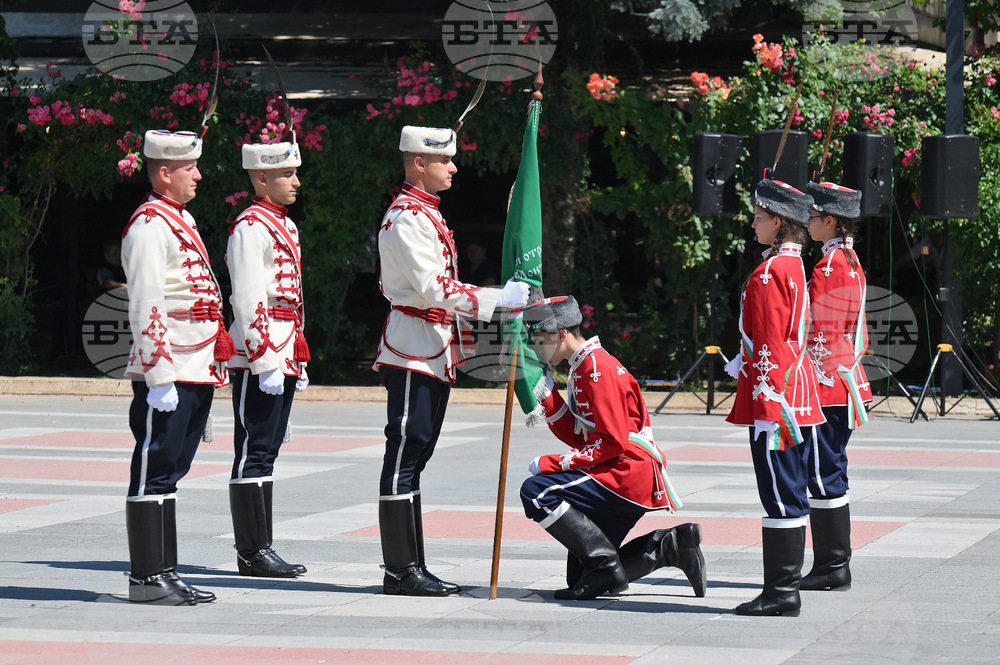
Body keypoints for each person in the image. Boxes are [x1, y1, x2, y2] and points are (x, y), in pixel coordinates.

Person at [375, 125, 530, 596]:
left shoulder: (425, 214)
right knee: (404, 455)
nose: (454, 167)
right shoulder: (407, 217)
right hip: (412, 348)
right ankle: (401, 570)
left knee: (414, 457)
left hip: (431, 346)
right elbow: (431, 289)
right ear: (419, 163)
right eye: (444, 160)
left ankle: (411, 566)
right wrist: (496, 298)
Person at [519, 295, 706, 601]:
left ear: (561, 334)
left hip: (626, 470)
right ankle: (672, 546)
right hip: (622, 467)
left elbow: (613, 442)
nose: (537, 349)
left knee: (537, 492)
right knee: (581, 577)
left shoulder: (596, 369)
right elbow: (583, 436)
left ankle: (606, 566)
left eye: (540, 341)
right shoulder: (584, 364)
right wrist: (548, 393)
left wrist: (554, 464)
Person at [121, 129, 233, 606]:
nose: (199, 175)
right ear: (165, 173)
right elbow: (146, 302)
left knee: (171, 468)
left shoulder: (176, 219)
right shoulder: (150, 224)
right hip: (170, 366)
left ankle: (164, 572)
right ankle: (146, 578)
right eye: (190, 168)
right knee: (154, 469)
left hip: (195, 362)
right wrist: (157, 373)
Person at [725, 178, 825, 617]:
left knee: (781, 493)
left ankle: (782, 592)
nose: (753, 224)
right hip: (796, 395)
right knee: (791, 490)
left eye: (760, 217)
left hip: (777, 402)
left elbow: (771, 343)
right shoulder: (794, 265)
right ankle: (784, 588)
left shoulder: (770, 272)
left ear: (780, 222)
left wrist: (767, 402)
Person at [225, 140, 309, 578]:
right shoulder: (250, 227)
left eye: (295, 173)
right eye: (286, 175)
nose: (296, 182)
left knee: (267, 451)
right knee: (252, 450)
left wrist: (293, 353)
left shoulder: (283, 225)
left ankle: (263, 548)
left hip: (285, 346)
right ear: (261, 178)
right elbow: (248, 296)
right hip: (262, 353)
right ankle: (252, 552)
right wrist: (264, 359)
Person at [803, 181, 872, 591]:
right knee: (830, 469)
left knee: (822, 471)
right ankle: (833, 563)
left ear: (830, 221)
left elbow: (819, 331)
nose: (807, 223)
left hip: (826, 382)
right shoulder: (849, 259)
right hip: (844, 377)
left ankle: (832, 566)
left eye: (811, 217)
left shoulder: (828, 267)